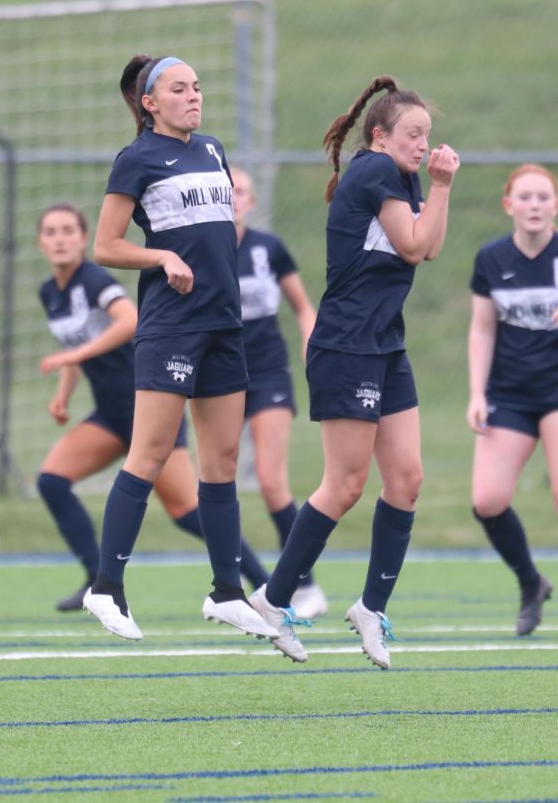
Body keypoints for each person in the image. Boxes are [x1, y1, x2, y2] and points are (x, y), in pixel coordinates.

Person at [249, 76, 460, 667]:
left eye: (428, 136)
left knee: (407, 479)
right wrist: (441, 185)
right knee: (344, 486)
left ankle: (370, 608)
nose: (423, 144)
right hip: (346, 346)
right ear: (380, 135)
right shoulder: (374, 172)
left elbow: (431, 246)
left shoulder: (404, 176)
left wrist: (436, 187)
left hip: (384, 345)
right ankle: (272, 597)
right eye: (413, 134)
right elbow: (415, 245)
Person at [82, 54, 278, 644]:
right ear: (150, 103)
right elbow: (106, 245)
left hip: (224, 326)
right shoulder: (137, 159)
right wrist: (162, 256)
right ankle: (106, 588)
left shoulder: (213, 150)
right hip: (172, 327)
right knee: (150, 453)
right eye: (178, 88)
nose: (193, 96)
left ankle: (226, 591)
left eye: (196, 86)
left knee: (221, 467)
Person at [37, 203, 269, 612]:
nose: (59, 239)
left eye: (68, 231)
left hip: (148, 401)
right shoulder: (50, 292)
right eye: (51, 232)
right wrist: (64, 393)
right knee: (52, 480)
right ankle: (96, 579)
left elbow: (128, 320)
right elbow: (75, 346)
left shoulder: (93, 279)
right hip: (111, 414)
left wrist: (73, 358)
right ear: (41, 242)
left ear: (82, 237)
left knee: (185, 510)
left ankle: (262, 583)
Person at [231, 165, 327, 619]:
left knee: (271, 482)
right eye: (225, 190)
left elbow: (303, 307)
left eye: (242, 191)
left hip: (267, 375)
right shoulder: (199, 251)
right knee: (214, 484)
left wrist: (314, 349)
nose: (233, 197)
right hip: (218, 379)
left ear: (251, 201)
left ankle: (304, 585)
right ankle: (231, 588)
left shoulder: (268, 250)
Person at [467, 163, 556, 636]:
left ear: (556, 205)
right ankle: (530, 582)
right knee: (488, 500)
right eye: (525, 197)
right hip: (511, 393)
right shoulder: (492, 259)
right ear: (509, 206)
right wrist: (477, 394)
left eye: (544, 196)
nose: (535, 205)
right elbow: (482, 329)